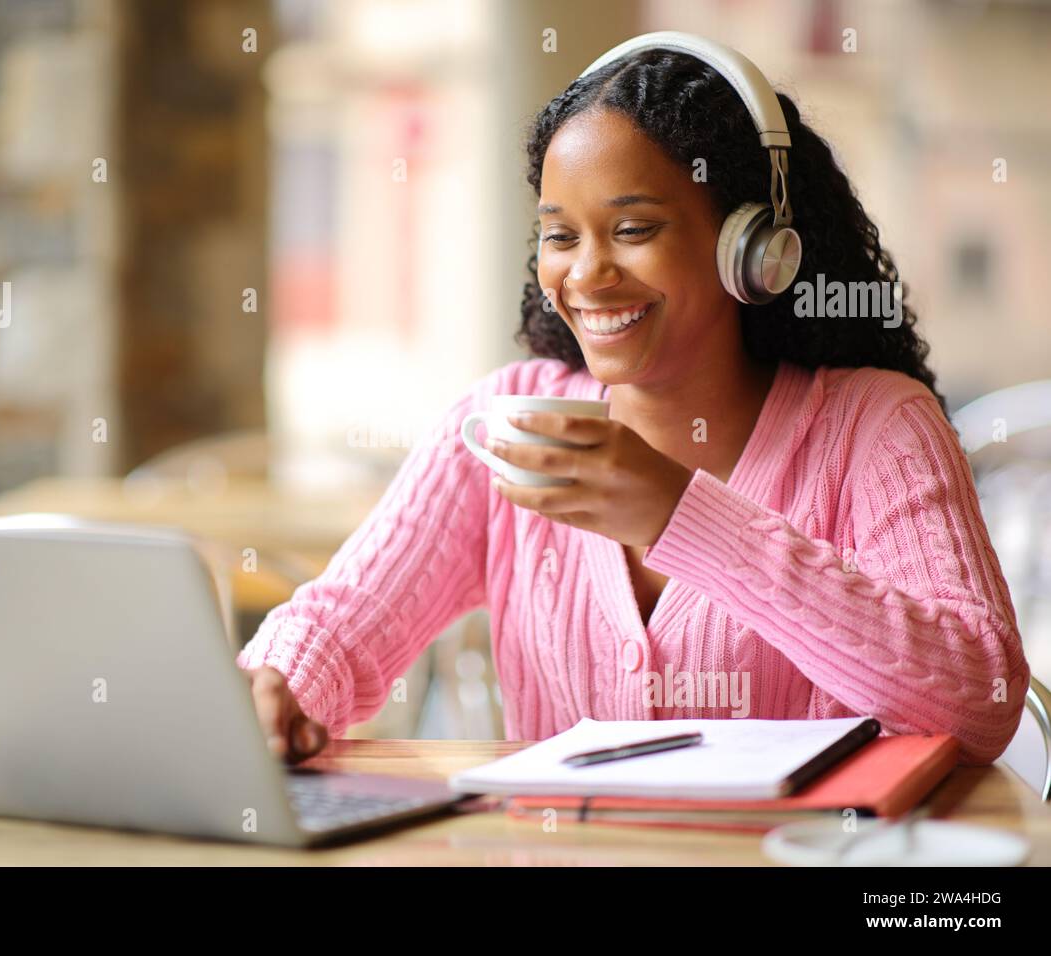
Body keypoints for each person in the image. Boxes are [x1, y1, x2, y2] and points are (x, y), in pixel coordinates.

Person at [239, 38, 1030, 768]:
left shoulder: (874, 428)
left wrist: (681, 517)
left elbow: (979, 698)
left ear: (752, 246)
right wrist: (283, 683)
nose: (585, 274)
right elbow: (343, 625)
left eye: (633, 229)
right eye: (560, 235)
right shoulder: (505, 419)